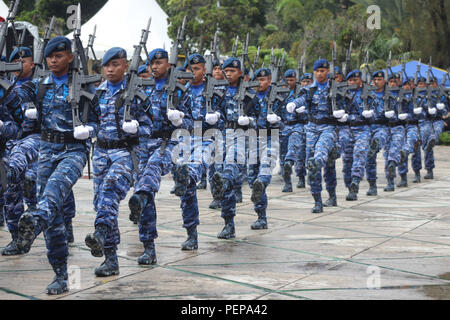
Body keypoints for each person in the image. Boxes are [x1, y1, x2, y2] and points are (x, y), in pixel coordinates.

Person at [14, 36, 101, 295]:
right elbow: (16, 98)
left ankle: (35, 220)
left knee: (53, 191)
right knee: (53, 217)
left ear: (70, 57)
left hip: (73, 150)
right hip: (46, 150)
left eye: (59, 56)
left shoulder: (84, 86)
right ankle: (61, 275)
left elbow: (99, 119)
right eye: (50, 56)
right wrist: (27, 110)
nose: (53, 60)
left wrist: (89, 129)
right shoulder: (40, 85)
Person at [84, 47, 151, 277]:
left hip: (125, 153)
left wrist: (136, 129)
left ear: (125, 66)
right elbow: (91, 121)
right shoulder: (97, 93)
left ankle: (100, 233)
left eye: (115, 65)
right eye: (107, 66)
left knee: (111, 191)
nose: (110, 70)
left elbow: (149, 127)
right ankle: (111, 260)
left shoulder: (136, 93)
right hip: (101, 153)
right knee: (101, 204)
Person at [127, 48, 193, 264]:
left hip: (170, 141)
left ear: (169, 65)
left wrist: (180, 119)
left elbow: (193, 124)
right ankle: (148, 247)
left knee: (153, 175)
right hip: (144, 143)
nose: (155, 67)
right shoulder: (141, 89)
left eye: (159, 63)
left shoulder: (180, 91)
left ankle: (192, 232)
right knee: (142, 191)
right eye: (152, 64)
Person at [288, 59, 345, 213]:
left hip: (329, 128)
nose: (320, 73)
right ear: (314, 72)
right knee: (312, 165)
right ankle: (318, 201)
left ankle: (331, 195)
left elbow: (346, 104)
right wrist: (294, 104)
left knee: (319, 156)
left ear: (328, 72)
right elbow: (302, 99)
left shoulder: (335, 88)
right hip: (312, 129)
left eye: (323, 71)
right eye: (317, 71)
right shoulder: (309, 90)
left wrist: (343, 114)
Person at [211, 57, 256, 239]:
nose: (228, 74)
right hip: (221, 135)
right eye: (226, 70)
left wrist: (250, 120)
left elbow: (261, 118)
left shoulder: (249, 93)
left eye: (232, 71)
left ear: (240, 73)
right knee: (223, 179)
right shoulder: (217, 91)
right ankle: (228, 224)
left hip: (241, 135)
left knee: (230, 168)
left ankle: (227, 182)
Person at [280, 69, 307, 193]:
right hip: (284, 126)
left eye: (292, 79)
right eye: (288, 80)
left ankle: (301, 176)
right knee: (283, 154)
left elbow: (310, 108)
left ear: (296, 79)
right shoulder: (280, 92)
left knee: (296, 152)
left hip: (298, 125)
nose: (290, 82)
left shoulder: (301, 92)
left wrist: (303, 111)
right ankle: (287, 182)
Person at [365, 71, 389, 196]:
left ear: (384, 80)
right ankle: (372, 185)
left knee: (379, 139)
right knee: (369, 157)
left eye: (380, 79)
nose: (377, 81)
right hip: (369, 126)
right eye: (375, 79)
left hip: (383, 126)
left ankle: (377, 144)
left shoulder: (390, 93)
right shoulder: (368, 94)